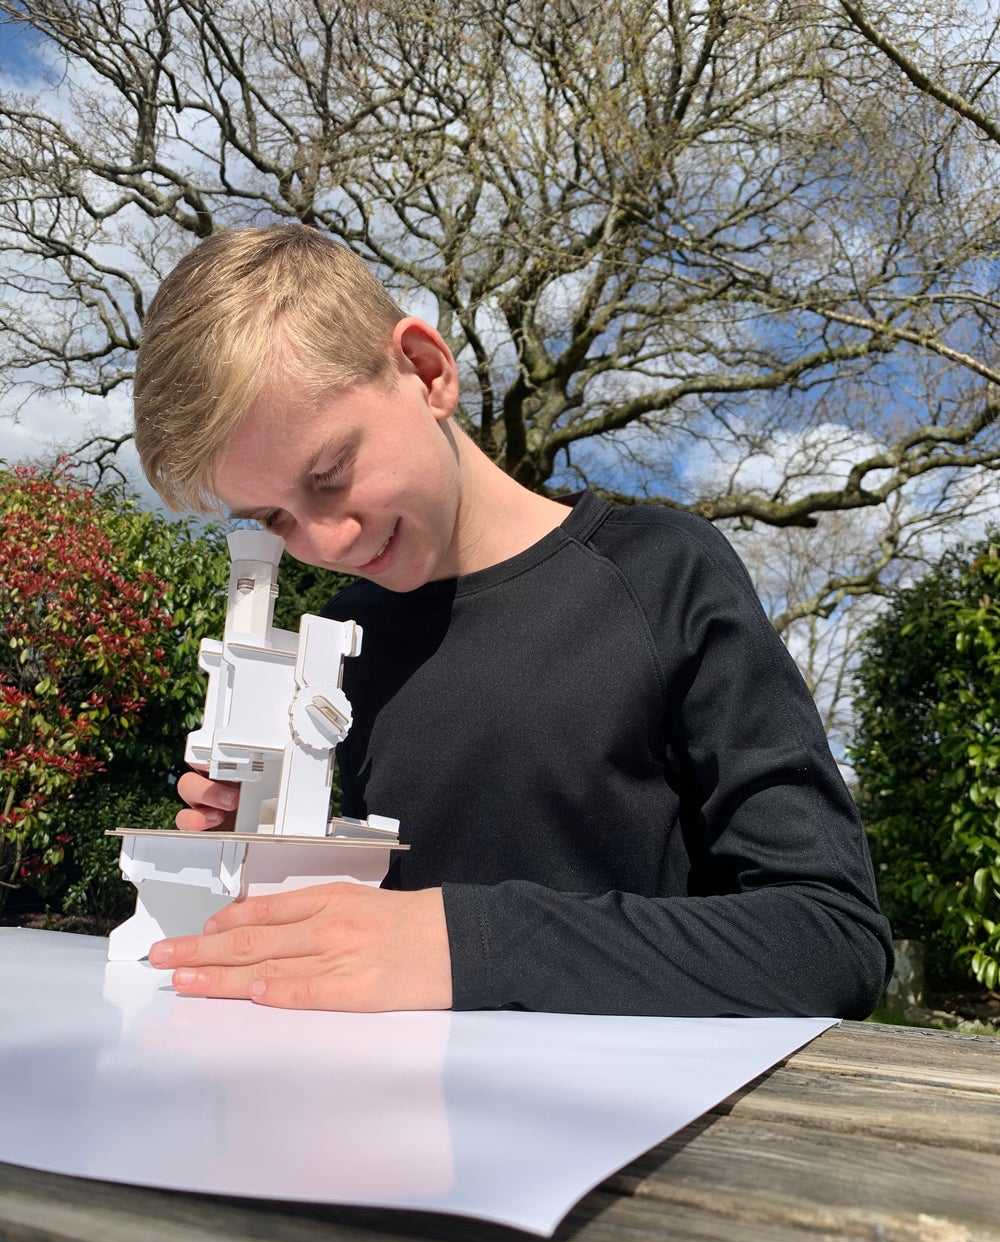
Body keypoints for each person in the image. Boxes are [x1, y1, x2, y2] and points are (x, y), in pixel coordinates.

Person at [133, 225, 893, 1016]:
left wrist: (469, 942)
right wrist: (276, 846)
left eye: (330, 475)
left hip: (640, 1131)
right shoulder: (341, 640)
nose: (325, 541)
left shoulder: (663, 577)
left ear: (427, 372)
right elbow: (374, 939)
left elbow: (831, 937)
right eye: (276, 518)